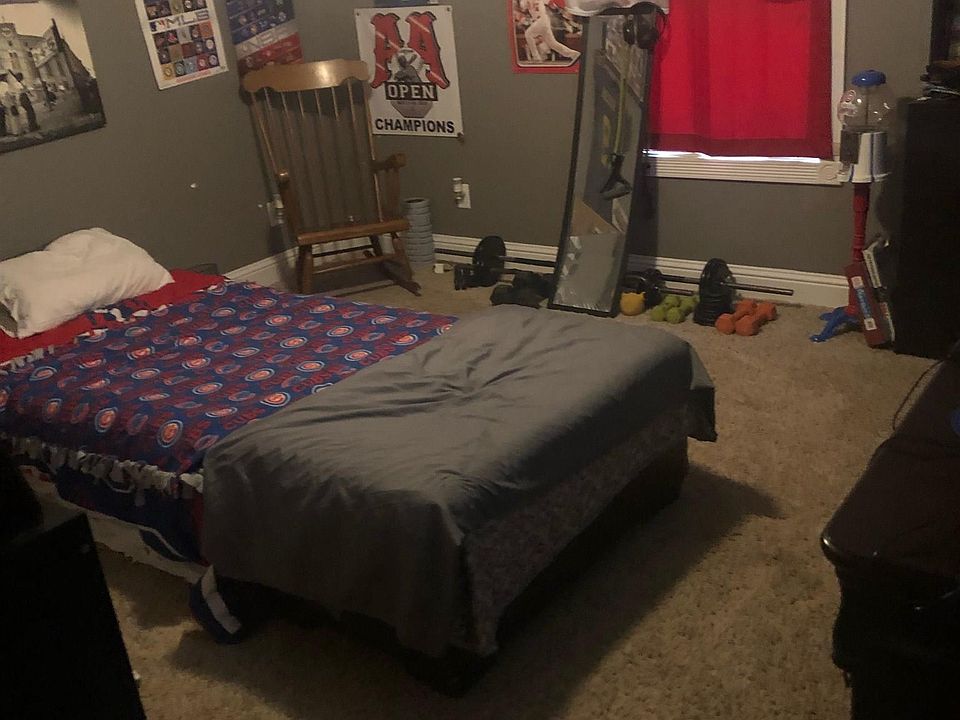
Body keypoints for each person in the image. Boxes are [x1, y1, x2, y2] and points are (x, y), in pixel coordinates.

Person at [521, 0, 581, 64]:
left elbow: (523, 7)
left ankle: (536, 58)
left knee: (528, 34)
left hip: (541, 20)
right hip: (544, 20)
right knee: (552, 44)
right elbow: (524, 7)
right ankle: (574, 54)